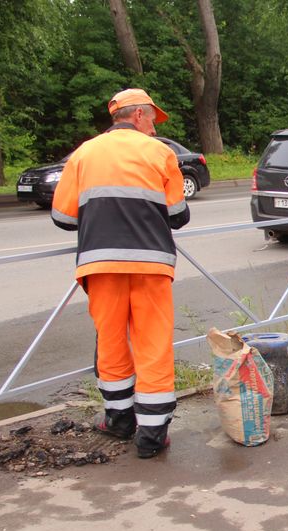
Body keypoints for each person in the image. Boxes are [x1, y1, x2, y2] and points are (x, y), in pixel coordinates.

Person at [51, 88, 190, 458]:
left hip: (100, 265)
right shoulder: (161, 153)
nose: (154, 129)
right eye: (153, 122)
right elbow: (178, 215)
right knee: (153, 343)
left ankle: (119, 420)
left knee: (111, 340)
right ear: (140, 116)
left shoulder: (84, 153)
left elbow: (62, 217)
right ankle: (152, 436)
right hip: (151, 264)